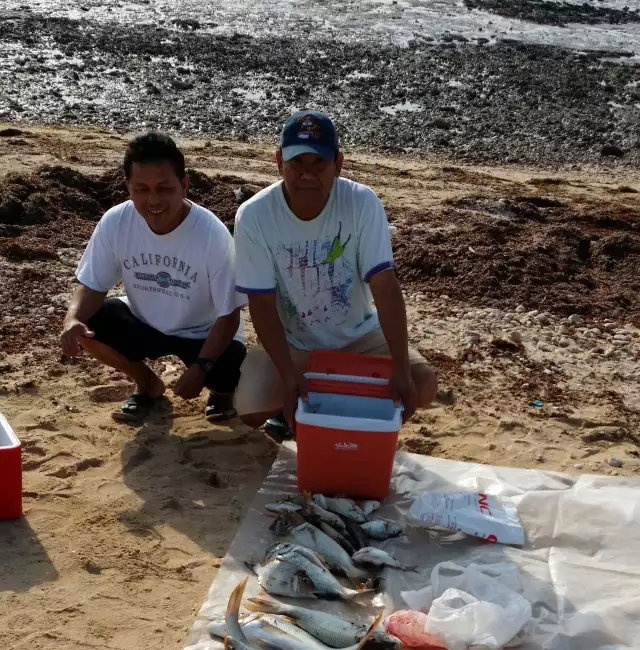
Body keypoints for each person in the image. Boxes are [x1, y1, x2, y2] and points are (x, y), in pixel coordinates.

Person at [233, 110, 437, 443]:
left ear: (338, 164)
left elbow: (385, 286)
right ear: (278, 162)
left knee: (423, 383)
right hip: (296, 343)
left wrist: (399, 367)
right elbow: (262, 305)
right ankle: (305, 404)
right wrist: (287, 376)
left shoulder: (362, 202)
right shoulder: (254, 215)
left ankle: (335, 410)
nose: (307, 175)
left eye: (319, 165)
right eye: (297, 164)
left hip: (359, 336)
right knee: (249, 407)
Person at [60, 132, 245, 425]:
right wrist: (71, 319)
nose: (153, 200)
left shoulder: (212, 235)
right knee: (90, 323)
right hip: (145, 322)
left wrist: (200, 368)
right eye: (141, 189)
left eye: (164, 188)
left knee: (232, 364)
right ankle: (147, 384)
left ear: (184, 185)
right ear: (128, 187)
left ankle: (221, 392)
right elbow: (92, 285)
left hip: (203, 333)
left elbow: (230, 316)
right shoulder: (116, 221)